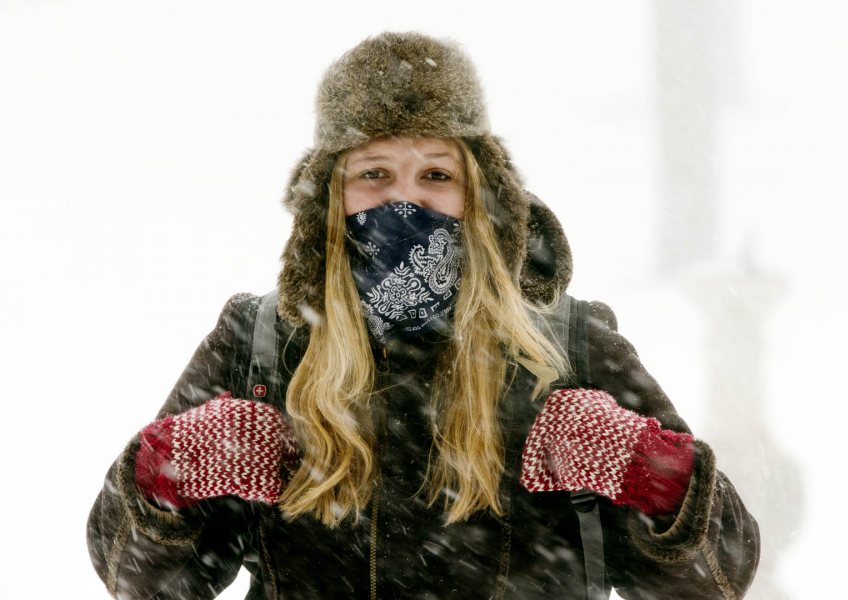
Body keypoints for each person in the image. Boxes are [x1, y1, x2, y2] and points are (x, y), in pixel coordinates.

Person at [87, 32, 760, 599]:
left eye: (436, 175)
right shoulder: (260, 348)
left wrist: (658, 479)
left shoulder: (568, 352)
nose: (404, 199)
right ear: (330, 198)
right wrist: (163, 477)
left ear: (480, 194)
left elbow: (720, 576)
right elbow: (132, 576)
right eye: (373, 174)